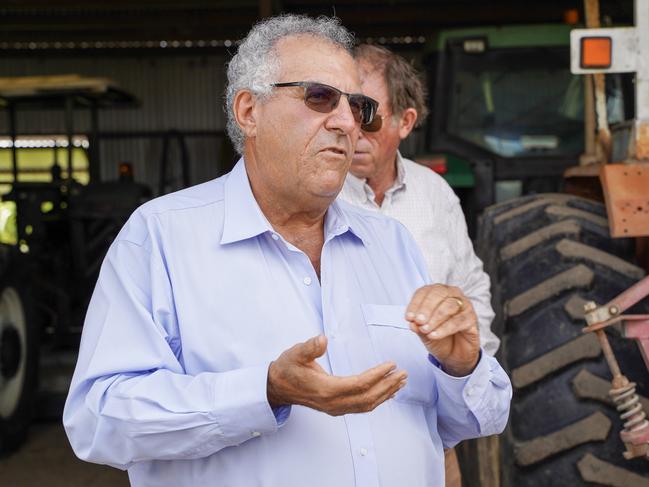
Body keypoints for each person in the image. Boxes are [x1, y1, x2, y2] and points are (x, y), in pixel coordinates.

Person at [63, 15, 511, 487]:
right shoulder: (160, 238)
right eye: (319, 97)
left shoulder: (391, 242)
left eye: (357, 106)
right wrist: (265, 391)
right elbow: (100, 421)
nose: (346, 123)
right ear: (248, 111)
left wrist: (462, 366)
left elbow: (469, 421)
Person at [339, 44, 501, 486]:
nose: (350, 128)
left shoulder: (434, 194)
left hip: (432, 430)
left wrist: (466, 380)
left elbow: (470, 288)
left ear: (405, 122)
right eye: (342, 109)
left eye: (368, 115)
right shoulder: (317, 199)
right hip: (341, 431)